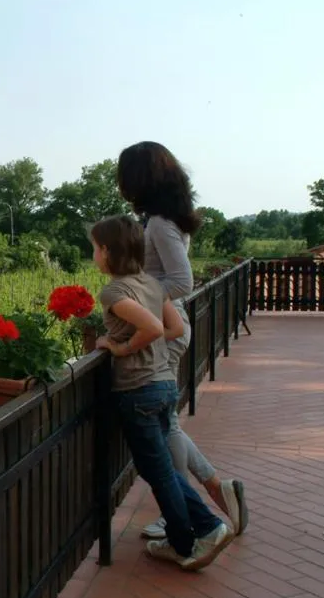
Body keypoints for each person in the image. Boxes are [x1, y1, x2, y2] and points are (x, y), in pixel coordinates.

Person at [116, 142, 248, 541]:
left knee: (164, 427)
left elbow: (181, 281)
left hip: (167, 332)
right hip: (171, 328)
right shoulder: (164, 219)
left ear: (139, 178)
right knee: (168, 423)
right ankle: (211, 489)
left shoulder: (157, 223)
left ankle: (178, 513)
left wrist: (135, 293)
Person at [91, 215, 233, 569]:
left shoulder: (113, 291)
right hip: (165, 384)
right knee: (160, 469)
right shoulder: (152, 284)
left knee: (160, 472)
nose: (93, 255)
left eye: (94, 248)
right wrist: (136, 337)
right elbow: (173, 327)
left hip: (137, 389)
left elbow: (154, 327)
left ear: (107, 252)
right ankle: (185, 536)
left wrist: (120, 347)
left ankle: (199, 532)